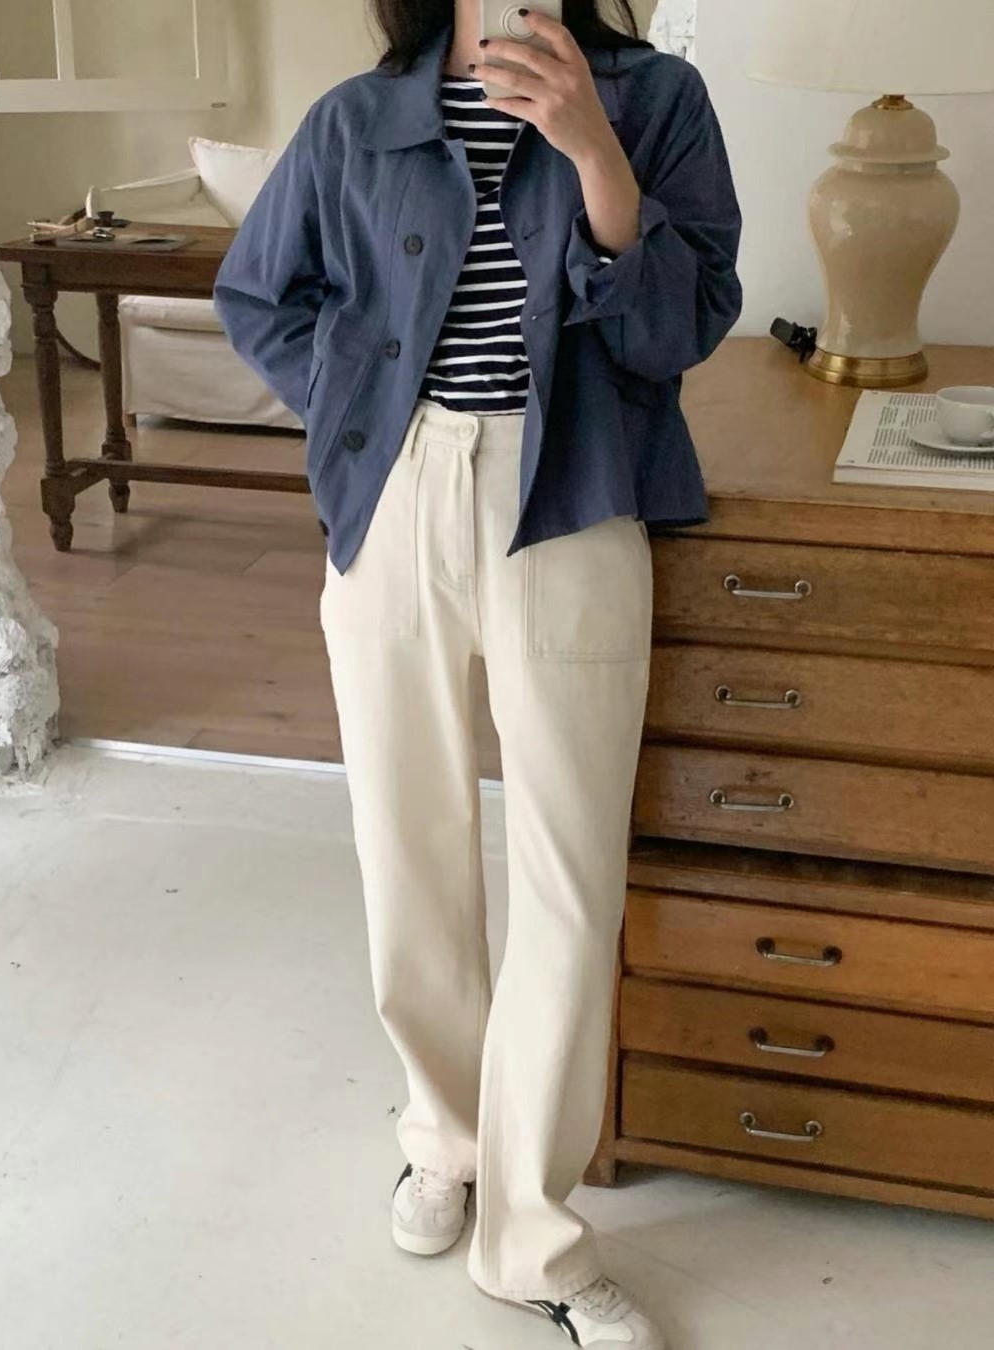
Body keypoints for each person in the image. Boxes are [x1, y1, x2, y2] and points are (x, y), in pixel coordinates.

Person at [213, 2, 742, 1344]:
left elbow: (682, 326)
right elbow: (258, 294)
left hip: (574, 498)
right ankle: (445, 1136)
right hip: (397, 497)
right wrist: (357, 417)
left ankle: (532, 1233)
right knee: (410, 848)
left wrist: (593, 149)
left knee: (570, 873)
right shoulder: (358, 117)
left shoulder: (655, 100)